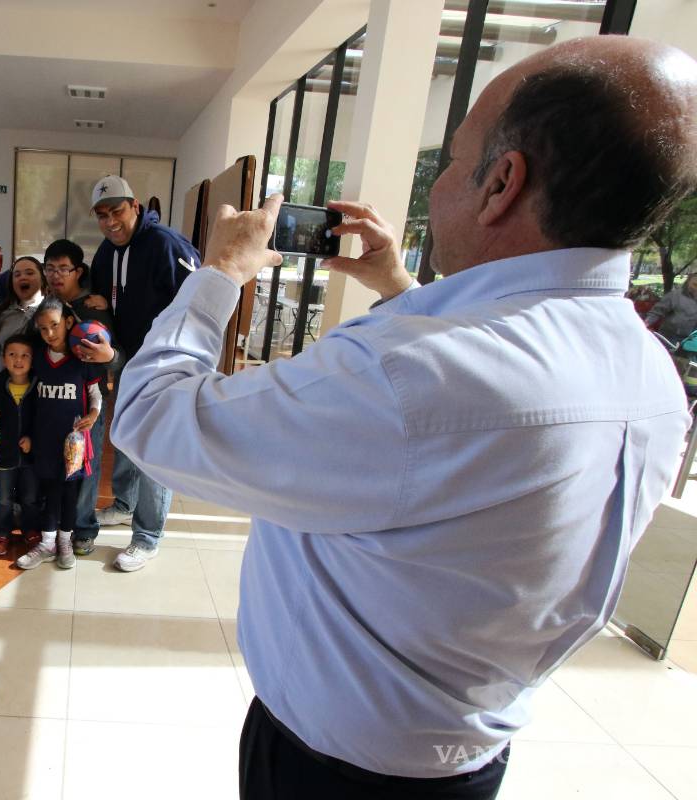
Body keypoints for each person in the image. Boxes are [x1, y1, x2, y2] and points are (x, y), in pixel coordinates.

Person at [110, 36, 696, 798]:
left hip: (331, 776)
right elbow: (467, 428)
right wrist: (400, 286)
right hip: (466, 763)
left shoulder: (407, 377)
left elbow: (152, 416)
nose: (435, 186)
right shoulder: (651, 374)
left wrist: (219, 271)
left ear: (503, 183)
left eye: (454, 159)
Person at [88, 174, 200, 571]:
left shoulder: (166, 245)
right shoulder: (104, 253)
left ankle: (147, 535)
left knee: (155, 450)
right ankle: (124, 503)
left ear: (135, 207)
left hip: (163, 368)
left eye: (116, 211)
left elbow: (198, 301)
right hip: (124, 363)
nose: (110, 222)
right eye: (101, 215)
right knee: (126, 436)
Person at [42, 238, 121, 556]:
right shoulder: (48, 305)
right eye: (50, 268)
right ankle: (54, 522)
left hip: (88, 401)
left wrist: (108, 356)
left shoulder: (94, 308)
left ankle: (84, 528)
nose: (56, 275)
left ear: (79, 271)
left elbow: (115, 354)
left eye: (63, 269)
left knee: (86, 464)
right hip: (53, 398)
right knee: (52, 461)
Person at [15, 297, 102, 570]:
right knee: (50, 490)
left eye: (54, 325)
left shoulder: (83, 356)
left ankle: (65, 540)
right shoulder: (38, 357)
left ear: (67, 322)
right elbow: (28, 399)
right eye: (43, 329)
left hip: (73, 444)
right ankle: (48, 542)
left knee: (70, 493)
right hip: (45, 439)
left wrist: (94, 414)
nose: (49, 333)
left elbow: (95, 393)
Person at [0, 333, 37, 556]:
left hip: (30, 456)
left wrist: (33, 438)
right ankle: (1, 532)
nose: (18, 360)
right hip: (3, 456)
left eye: (25, 355)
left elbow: (43, 419)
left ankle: (30, 529)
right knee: (3, 497)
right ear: (4, 358)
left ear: (32, 360)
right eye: (12, 354)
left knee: (31, 497)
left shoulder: (37, 387)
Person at [0, 256, 45, 350]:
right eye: (17, 275)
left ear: (43, 279)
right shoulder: (1, 313)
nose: (23, 277)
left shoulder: (53, 310)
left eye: (29, 273)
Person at [645, 273, 697, 343]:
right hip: (668, 337)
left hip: (689, 340)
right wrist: (645, 324)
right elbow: (656, 312)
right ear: (688, 282)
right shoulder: (674, 296)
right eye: (695, 284)